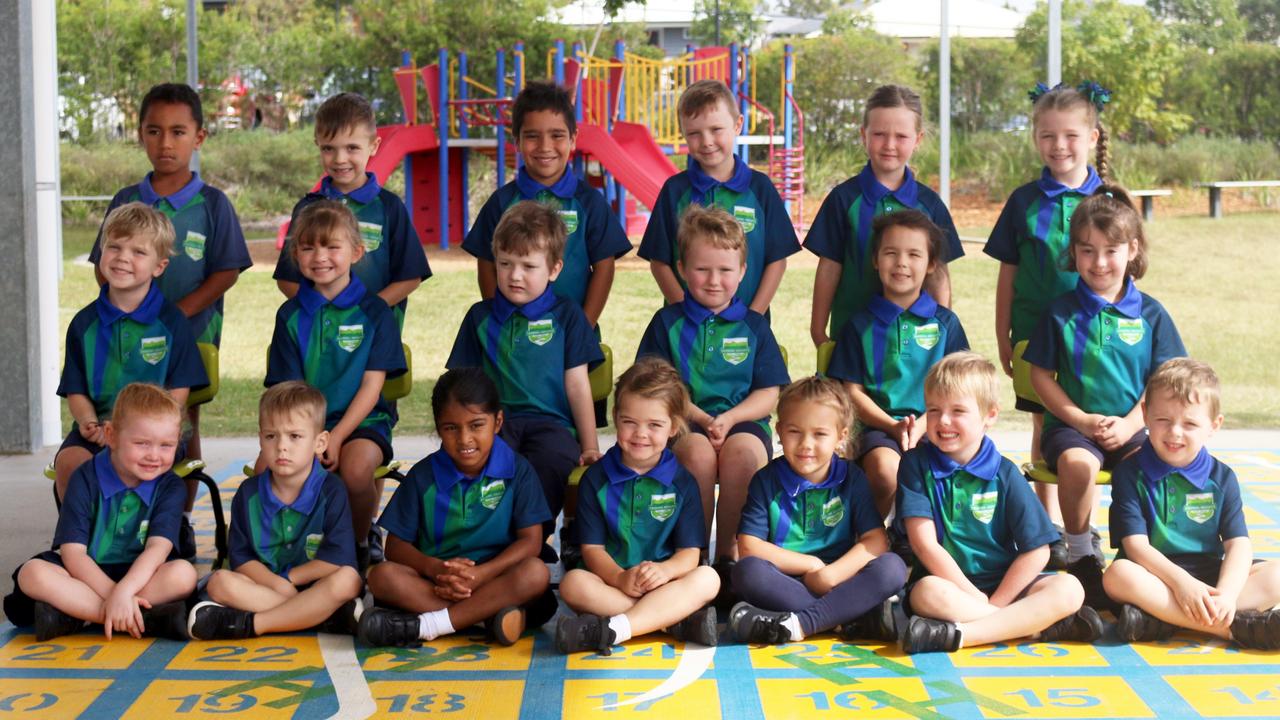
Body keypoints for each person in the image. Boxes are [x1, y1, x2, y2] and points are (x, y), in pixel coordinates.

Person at [90, 83, 252, 555]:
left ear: (199, 137)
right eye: (154, 131)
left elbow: (225, 272)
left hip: (191, 339)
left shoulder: (214, 204)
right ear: (140, 134)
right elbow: (107, 270)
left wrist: (172, 316)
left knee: (181, 426)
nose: (166, 143)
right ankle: (119, 521)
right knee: (128, 424)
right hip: (126, 342)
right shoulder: (125, 198)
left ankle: (176, 521)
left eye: (178, 132)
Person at [1025, 186, 1185, 607]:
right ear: (1073, 253)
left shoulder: (1150, 313)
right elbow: (1040, 374)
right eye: (1087, 250)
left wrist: (1134, 423)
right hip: (1072, 429)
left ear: (1132, 250)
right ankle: (1080, 554)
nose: (1098, 263)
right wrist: (1079, 419)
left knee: (1148, 470)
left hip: (1133, 428)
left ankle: (1134, 556)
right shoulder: (1060, 311)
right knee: (1077, 465)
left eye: (1110, 250)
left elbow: (1165, 379)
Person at [895, 353, 1102, 654]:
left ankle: (961, 635)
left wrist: (997, 602)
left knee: (1069, 589)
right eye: (934, 410)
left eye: (958, 411)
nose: (944, 421)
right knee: (926, 594)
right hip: (949, 586)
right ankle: (1034, 627)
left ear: (990, 416)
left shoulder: (1004, 472)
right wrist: (974, 595)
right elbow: (925, 546)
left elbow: (1037, 551)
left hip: (1006, 586)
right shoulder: (915, 465)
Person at [985, 81, 1113, 564]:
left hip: (1094, 340)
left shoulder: (1106, 199)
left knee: (1090, 426)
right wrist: (1002, 333)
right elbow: (1008, 272)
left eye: (1070, 135)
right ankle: (1049, 527)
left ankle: (1083, 527)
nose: (1059, 146)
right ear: (1036, 138)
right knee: (1044, 424)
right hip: (1035, 336)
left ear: (1093, 137)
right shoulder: (1023, 201)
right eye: (1047, 136)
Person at [636, 204, 790, 582]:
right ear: (683, 269)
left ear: (742, 272)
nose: (713, 280)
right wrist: (703, 419)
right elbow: (657, 390)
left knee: (741, 456)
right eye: (703, 269)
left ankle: (729, 559)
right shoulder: (666, 322)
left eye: (725, 270)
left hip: (743, 423)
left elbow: (769, 394)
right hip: (684, 424)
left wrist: (731, 418)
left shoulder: (754, 326)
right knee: (698, 455)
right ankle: (693, 557)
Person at [358, 368, 554, 648]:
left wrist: (481, 575)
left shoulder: (518, 471)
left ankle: (429, 625)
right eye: (451, 428)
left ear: (498, 421)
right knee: (382, 577)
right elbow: (395, 548)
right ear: (438, 428)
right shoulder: (423, 476)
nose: (464, 440)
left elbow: (531, 541)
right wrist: (436, 569)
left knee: (535, 573)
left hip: (495, 579)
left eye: (476, 425)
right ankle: (485, 617)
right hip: (437, 585)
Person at [448, 201, 603, 553]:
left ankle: (529, 540)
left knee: (551, 462)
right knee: (489, 465)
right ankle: (490, 544)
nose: (514, 275)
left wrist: (590, 445)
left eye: (528, 266)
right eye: (505, 264)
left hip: (552, 425)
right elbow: (462, 388)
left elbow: (578, 384)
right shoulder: (479, 317)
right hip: (494, 424)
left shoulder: (567, 315)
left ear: (554, 269)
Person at [265, 200, 407, 571]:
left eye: (332, 246)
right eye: (309, 247)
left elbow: (372, 387)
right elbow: (289, 392)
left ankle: (355, 545)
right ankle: (277, 552)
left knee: (357, 470)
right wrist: (310, 437)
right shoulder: (290, 315)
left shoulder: (376, 311)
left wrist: (338, 436)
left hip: (362, 422)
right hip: (302, 423)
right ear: (295, 254)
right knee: (269, 468)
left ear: (356, 252)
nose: (320, 257)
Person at [1104, 358, 1280, 648]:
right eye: (1163, 420)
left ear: (1214, 425)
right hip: (1155, 576)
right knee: (1117, 576)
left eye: (1189, 423)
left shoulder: (1222, 477)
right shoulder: (1129, 472)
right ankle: (1233, 628)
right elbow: (1136, 547)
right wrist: (1181, 585)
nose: (1174, 432)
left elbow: (1238, 545)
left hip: (1209, 577)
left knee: (1275, 577)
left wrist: (1225, 594)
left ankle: (1162, 619)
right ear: (1145, 414)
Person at [5, 384, 196, 641]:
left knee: (184, 575)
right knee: (32, 574)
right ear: (111, 435)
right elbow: (73, 555)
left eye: (166, 446)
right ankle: (141, 618)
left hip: (141, 576)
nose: (154, 456)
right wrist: (115, 596)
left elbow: (157, 551)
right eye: (141, 443)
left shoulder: (170, 485)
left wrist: (124, 591)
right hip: (84, 573)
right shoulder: (85, 477)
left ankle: (77, 614)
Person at [555, 358, 720, 654]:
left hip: (665, 584)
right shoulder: (596, 479)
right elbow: (592, 551)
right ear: (616, 417)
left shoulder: (682, 482)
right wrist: (620, 577)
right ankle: (673, 622)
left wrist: (665, 572)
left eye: (654, 425)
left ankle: (613, 629)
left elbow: (689, 555)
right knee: (573, 584)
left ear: (674, 427)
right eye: (630, 422)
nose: (640, 434)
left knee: (709, 579)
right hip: (612, 583)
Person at [726, 376, 907, 644]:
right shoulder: (766, 480)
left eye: (820, 434)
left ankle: (803, 622)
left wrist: (830, 574)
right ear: (779, 431)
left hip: (841, 579)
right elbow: (749, 547)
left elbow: (876, 540)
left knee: (893, 567)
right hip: (786, 582)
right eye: (794, 432)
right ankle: (849, 618)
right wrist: (811, 565)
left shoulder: (852, 478)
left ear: (841, 437)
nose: (806, 444)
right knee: (746, 572)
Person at [56, 203, 208, 503]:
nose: (123, 257)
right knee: (69, 463)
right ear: (101, 253)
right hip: (101, 429)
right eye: (114, 247)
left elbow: (179, 393)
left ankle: (148, 538)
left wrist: (151, 433)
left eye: (138, 252)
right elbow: (76, 389)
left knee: (136, 462)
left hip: (155, 436)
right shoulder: (83, 324)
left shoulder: (172, 323)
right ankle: (79, 540)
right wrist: (88, 422)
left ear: (159, 266)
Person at [187, 382, 363, 640]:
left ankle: (254, 624)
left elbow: (338, 558)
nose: (282, 446)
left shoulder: (331, 490)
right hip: (267, 586)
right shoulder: (248, 493)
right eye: (271, 436)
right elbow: (241, 559)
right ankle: (324, 617)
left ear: (320, 442)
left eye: (294, 436)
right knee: (220, 582)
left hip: (315, 586)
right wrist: (278, 584)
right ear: (261, 439)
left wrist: (291, 578)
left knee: (349, 579)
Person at [826, 210, 969, 518]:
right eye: (891, 253)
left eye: (914, 254)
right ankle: (874, 539)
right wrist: (892, 426)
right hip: (878, 428)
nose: (902, 262)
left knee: (949, 470)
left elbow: (960, 388)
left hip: (936, 425)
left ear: (930, 264)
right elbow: (851, 392)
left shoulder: (946, 323)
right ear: (876, 260)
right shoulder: (859, 325)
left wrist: (922, 424)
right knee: (884, 469)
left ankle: (919, 539)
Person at [806, 84, 963, 347]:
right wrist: (818, 332)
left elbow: (939, 275)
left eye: (901, 136)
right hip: (851, 341)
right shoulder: (843, 200)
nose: (889, 145)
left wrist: (941, 334)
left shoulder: (930, 204)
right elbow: (829, 269)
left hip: (915, 346)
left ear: (918, 139)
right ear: (863, 135)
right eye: (879, 134)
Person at [462, 80, 631, 325]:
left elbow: (604, 268)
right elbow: (486, 265)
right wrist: (498, 324)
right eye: (532, 136)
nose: (545, 147)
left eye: (557, 135)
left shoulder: (590, 202)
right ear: (517, 140)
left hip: (574, 339)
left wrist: (583, 328)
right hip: (512, 341)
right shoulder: (501, 202)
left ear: (573, 139)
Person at [639, 79, 799, 314]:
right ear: (683, 134)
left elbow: (777, 260)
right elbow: (659, 262)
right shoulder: (674, 191)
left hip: (747, 334)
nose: (707, 142)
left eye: (716, 130)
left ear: (737, 125)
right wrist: (685, 313)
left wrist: (754, 316)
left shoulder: (760, 188)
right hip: (686, 333)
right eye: (694, 133)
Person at [274, 91, 430, 329]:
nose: (339, 158)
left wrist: (366, 310)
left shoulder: (389, 208)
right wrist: (321, 312)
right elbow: (287, 279)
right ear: (318, 146)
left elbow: (410, 276)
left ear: (373, 146)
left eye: (352, 148)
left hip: (376, 337)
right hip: (319, 340)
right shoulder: (307, 209)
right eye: (329, 149)